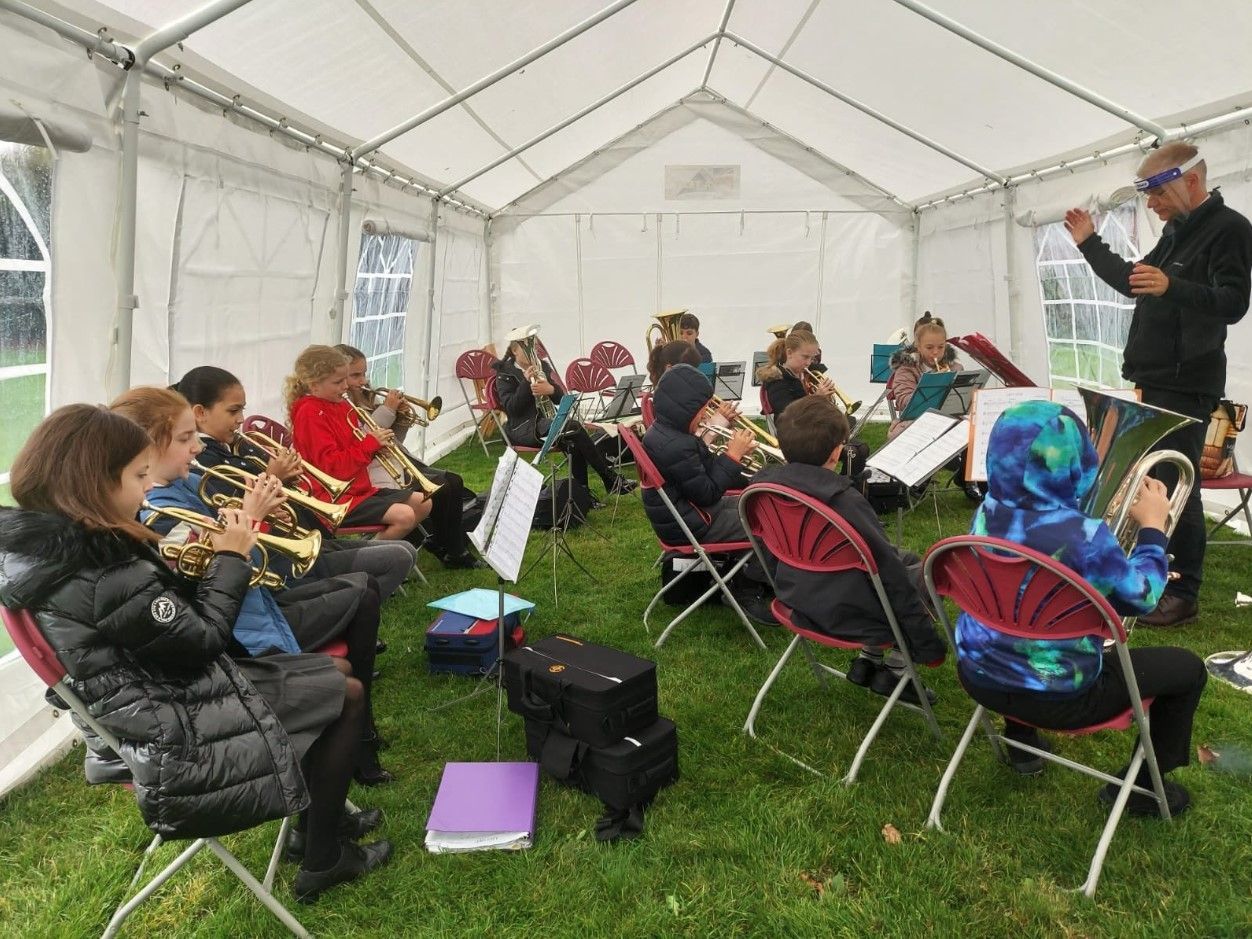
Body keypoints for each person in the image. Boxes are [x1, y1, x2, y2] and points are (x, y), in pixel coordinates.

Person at [0, 405, 392, 901]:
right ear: (93, 481)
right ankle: (323, 859)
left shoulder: (57, 552)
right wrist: (228, 559)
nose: (146, 489)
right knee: (347, 691)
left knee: (331, 672)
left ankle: (313, 829)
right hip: (170, 722)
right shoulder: (105, 571)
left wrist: (190, 568)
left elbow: (158, 623)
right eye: (138, 475)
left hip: (146, 695)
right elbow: (203, 641)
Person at [110, 387, 394, 786]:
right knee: (354, 629)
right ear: (150, 445)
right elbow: (220, 574)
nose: (196, 449)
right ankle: (352, 745)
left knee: (363, 593)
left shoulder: (190, 484)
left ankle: (356, 741)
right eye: (186, 438)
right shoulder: (158, 510)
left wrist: (264, 512)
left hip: (258, 614)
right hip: (245, 633)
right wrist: (253, 520)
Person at [956, 399, 1206, 810]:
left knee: (1016, 627)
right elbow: (1142, 596)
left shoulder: (984, 516)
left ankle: (1022, 743)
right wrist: (1153, 531)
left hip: (979, 675)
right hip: (1063, 698)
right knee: (1188, 670)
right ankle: (1144, 790)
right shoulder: (1085, 538)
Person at [1064, 141, 1252, 626]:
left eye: (1157, 194)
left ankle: (1181, 592)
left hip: (1187, 381)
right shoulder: (1175, 232)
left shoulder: (1229, 229)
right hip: (1153, 377)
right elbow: (1134, 281)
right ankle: (1149, 570)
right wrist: (1089, 243)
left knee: (1176, 483)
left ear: (1189, 181)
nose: (1152, 205)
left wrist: (1174, 287)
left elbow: (1233, 302)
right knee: (1155, 477)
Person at [754, 396, 946, 705]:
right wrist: (927, 643)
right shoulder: (843, 501)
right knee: (928, 571)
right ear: (836, 452)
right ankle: (896, 670)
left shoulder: (764, 488)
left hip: (796, 595)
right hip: (847, 614)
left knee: (905, 558)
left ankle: (868, 660)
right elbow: (889, 575)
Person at [173, 365, 418, 596]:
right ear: (200, 413)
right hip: (278, 557)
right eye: (233, 411)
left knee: (405, 551)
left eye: (242, 410)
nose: (240, 419)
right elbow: (229, 515)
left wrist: (288, 480)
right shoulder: (201, 462)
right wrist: (272, 478)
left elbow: (287, 492)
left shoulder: (243, 446)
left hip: (305, 536)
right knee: (397, 558)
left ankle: (351, 607)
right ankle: (348, 610)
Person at [641, 363, 774, 624]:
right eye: (701, 412)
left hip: (689, 514)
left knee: (757, 503)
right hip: (694, 522)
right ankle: (747, 587)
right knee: (771, 522)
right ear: (684, 410)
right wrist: (733, 455)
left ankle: (746, 573)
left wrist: (732, 462)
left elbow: (703, 477)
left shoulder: (666, 432)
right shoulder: (676, 445)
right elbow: (708, 493)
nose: (705, 418)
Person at [334, 345, 483, 568]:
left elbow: (392, 441)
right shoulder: (344, 406)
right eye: (355, 375)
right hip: (374, 473)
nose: (363, 380)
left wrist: (401, 419)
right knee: (443, 485)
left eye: (364, 373)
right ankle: (452, 549)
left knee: (454, 481)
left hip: (393, 462)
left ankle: (449, 545)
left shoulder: (366, 398)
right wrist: (388, 410)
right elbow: (364, 441)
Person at [285, 345, 431, 541]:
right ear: (314, 385)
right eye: (337, 382)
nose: (345, 386)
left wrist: (377, 448)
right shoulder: (310, 413)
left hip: (357, 488)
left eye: (345, 379)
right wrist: (370, 444)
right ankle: (370, 559)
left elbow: (353, 445)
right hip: (332, 497)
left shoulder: (340, 404)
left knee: (423, 502)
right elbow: (332, 467)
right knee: (404, 516)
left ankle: (377, 549)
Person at [492, 328, 637, 501]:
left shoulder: (542, 367)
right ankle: (609, 478)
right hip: (522, 428)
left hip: (545, 423)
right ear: (515, 350)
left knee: (572, 440)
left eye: (535, 346)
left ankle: (582, 495)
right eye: (526, 347)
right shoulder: (505, 374)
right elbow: (512, 408)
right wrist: (525, 383)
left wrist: (550, 389)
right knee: (573, 427)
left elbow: (560, 397)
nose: (533, 352)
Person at [887, 312, 981, 501]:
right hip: (915, 420)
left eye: (940, 347)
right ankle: (919, 478)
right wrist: (932, 385)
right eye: (929, 348)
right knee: (927, 432)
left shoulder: (955, 368)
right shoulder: (906, 369)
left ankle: (968, 478)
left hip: (950, 418)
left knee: (975, 429)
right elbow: (905, 401)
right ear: (918, 347)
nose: (936, 353)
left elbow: (966, 402)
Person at [755, 328, 835, 418]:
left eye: (812, 358)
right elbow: (788, 414)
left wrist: (824, 401)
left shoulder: (799, 374)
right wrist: (816, 398)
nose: (808, 363)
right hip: (791, 430)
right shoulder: (776, 380)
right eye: (805, 357)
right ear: (789, 353)